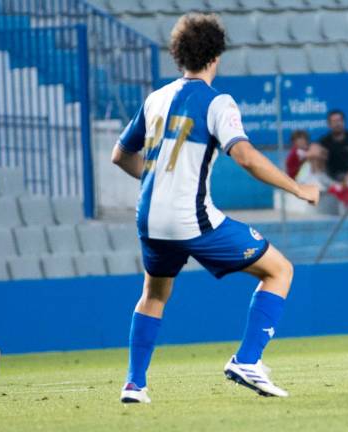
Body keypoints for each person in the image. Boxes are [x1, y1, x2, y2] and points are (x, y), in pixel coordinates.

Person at [111, 13, 320, 403]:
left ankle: (135, 384)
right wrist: (297, 188)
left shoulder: (155, 99)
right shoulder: (217, 102)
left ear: (178, 55)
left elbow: (120, 155)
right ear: (216, 57)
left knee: (154, 294)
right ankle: (247, 360)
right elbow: (246, 157)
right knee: (279, 269)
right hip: (192, 219)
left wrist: (158, 182)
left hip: (150, 218)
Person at [318, 110, 348, 182]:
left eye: (339, 120)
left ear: (344, 122)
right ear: (329, 124)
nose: (337, 124)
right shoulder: (324, 141)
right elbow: (321, 165)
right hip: (333, 176)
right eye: (334, 121)